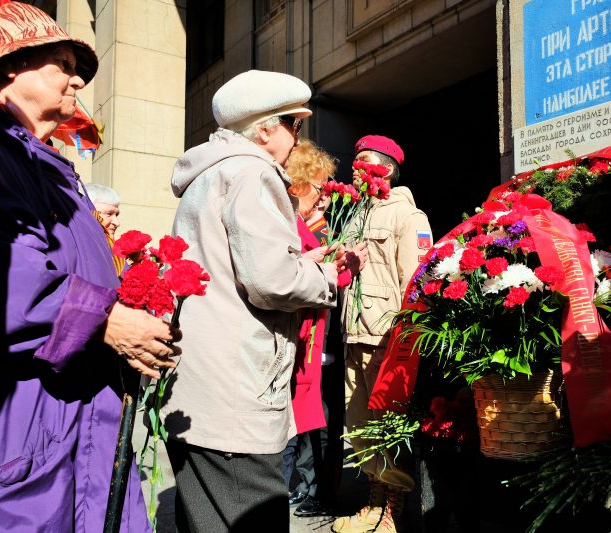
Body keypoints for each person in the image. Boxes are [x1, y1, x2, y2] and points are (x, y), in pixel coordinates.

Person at [0, 3, 180, 531]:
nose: (76, 79)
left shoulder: (52, 166)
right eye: (61, 63)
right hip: (10, 431)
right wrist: (109, 322)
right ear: (10, 66)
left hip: (77, 422)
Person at [163, 70, 344, 533]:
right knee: (250, 517)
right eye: (293, 124)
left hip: (202, 387)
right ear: (264, 129)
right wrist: (325, 274)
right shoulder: (254, 171)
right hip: (237, 390)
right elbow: (272, 281)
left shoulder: (210, 173)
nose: (297, 135)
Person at [333, 135, 433, 533]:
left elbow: (416, 281)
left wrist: (408, 336)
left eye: (364, 162)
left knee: (387, 424)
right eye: (354, 162)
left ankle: (393, 510)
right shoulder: (354, 213)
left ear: (387, 168)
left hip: (386, 335)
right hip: (354, 332)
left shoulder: (408, 216)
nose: (355, 168)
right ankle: (372, 503)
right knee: (358, 424)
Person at [283, 141, 367, 517]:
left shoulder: (333, 226)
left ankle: (318, 490)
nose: (326, 195)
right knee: (296, 421)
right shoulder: (286, 224)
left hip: (326, 341)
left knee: (322, 422)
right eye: (320, 187)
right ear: (298, 184)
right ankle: (297, 488)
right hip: (297, 340)